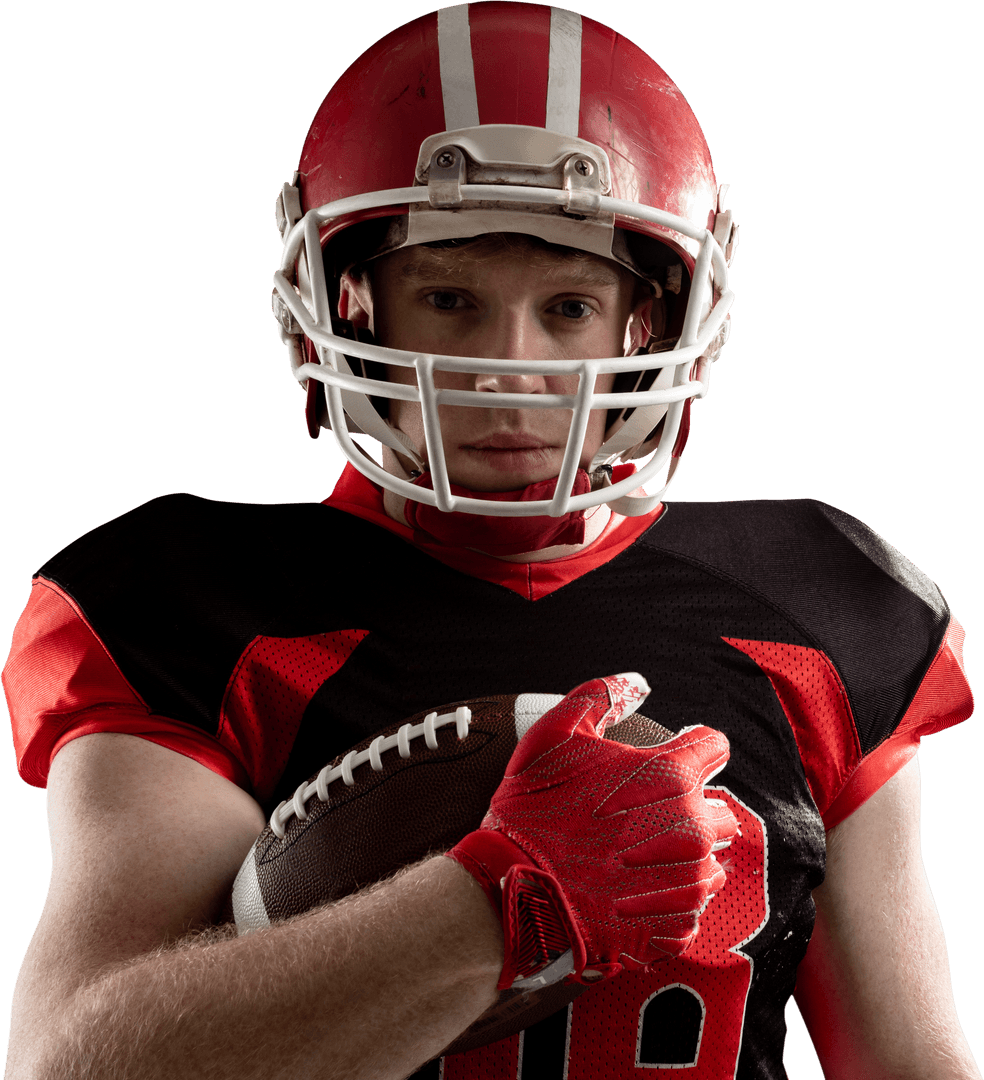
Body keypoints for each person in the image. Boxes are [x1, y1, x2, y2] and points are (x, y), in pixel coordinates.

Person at [2, 4, 979, 1079]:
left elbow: (907, 1062)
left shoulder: (820, 601)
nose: (510, 368)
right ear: (352, 304)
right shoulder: (190, 606)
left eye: (566, 306)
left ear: (649, 323)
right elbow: (72, 1063)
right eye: (451, 299)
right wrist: (496, 900)